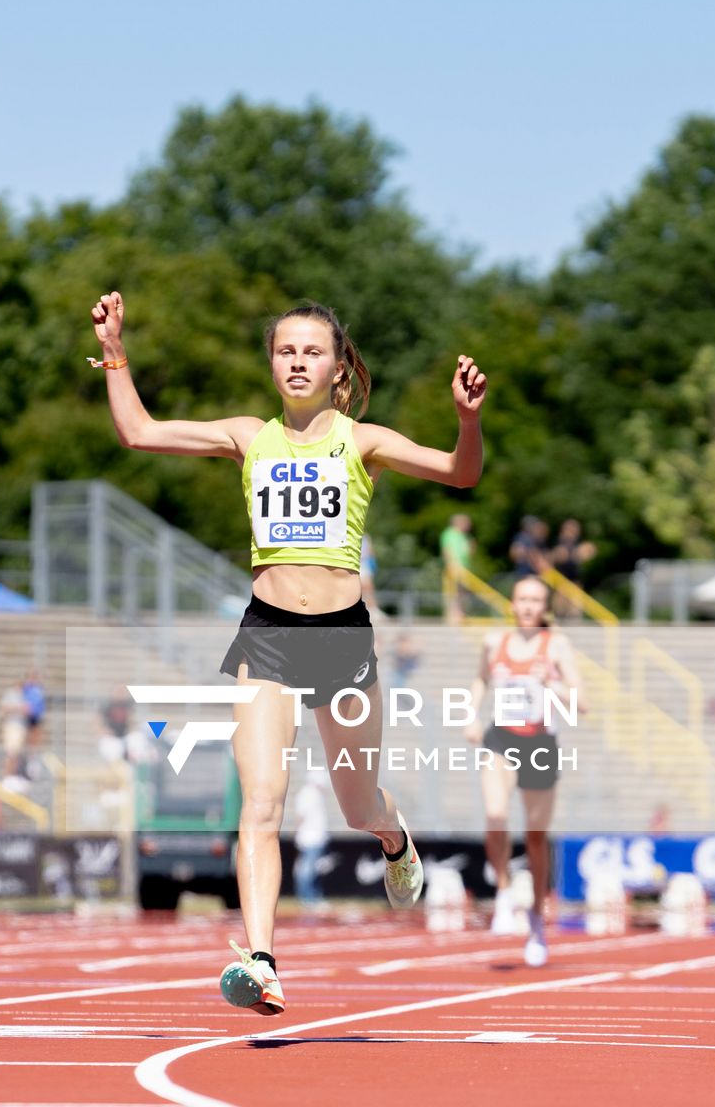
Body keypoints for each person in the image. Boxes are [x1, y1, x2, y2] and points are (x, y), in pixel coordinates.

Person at [91, 291, 486, 1015]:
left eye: (312, 351)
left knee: (357, 800)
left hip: (342, 642)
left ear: (339, 368)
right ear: (272, 364)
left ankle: (395, 841)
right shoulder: (249, 436)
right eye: (285, 350)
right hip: (268, 634)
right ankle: (263, 958)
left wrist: (466, 419)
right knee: (262, 802)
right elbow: (139, 432)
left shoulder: (362, 442)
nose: (297, 361)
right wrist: (116, 351)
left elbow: (461, 475)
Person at [466, 575, 581, 967]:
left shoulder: (557, 645)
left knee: (535, 837)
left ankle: (535, 920)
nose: (529, 606)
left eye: (536, 600)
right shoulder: (494, 643)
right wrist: (470, 714)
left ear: (544, 606)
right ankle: (502, 892)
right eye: (523, 599)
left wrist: (552, 684)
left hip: (540, 742)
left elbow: (581, 701)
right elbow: (481, 678)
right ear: (513, 604)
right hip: (501, 737)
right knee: (495, 815)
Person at [291, 768, 331, 907]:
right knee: (307, 870)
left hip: (317, 837)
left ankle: (313, 897)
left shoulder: (315, 794)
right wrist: (298, 834)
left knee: (314, 869)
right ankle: (307, 898)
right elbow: (300, 816)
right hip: (310, 838)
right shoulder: (307, 794)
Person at [548, 519, 596, 618]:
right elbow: (555, 556)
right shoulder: (557, 542)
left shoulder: (577, 543)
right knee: (559, 611)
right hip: (560, 581)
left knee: (575, 612)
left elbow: (590, 551)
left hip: (575, 581)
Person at [439, 513, 474, 625]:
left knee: (462, 593)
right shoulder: (449, 534)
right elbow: (446, 550)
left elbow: (467, 553)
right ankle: (452, 614)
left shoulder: (464, 536)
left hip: (464, 569)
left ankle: (460, 613)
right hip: (454, 568)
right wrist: (451, 564)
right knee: (453, 593)